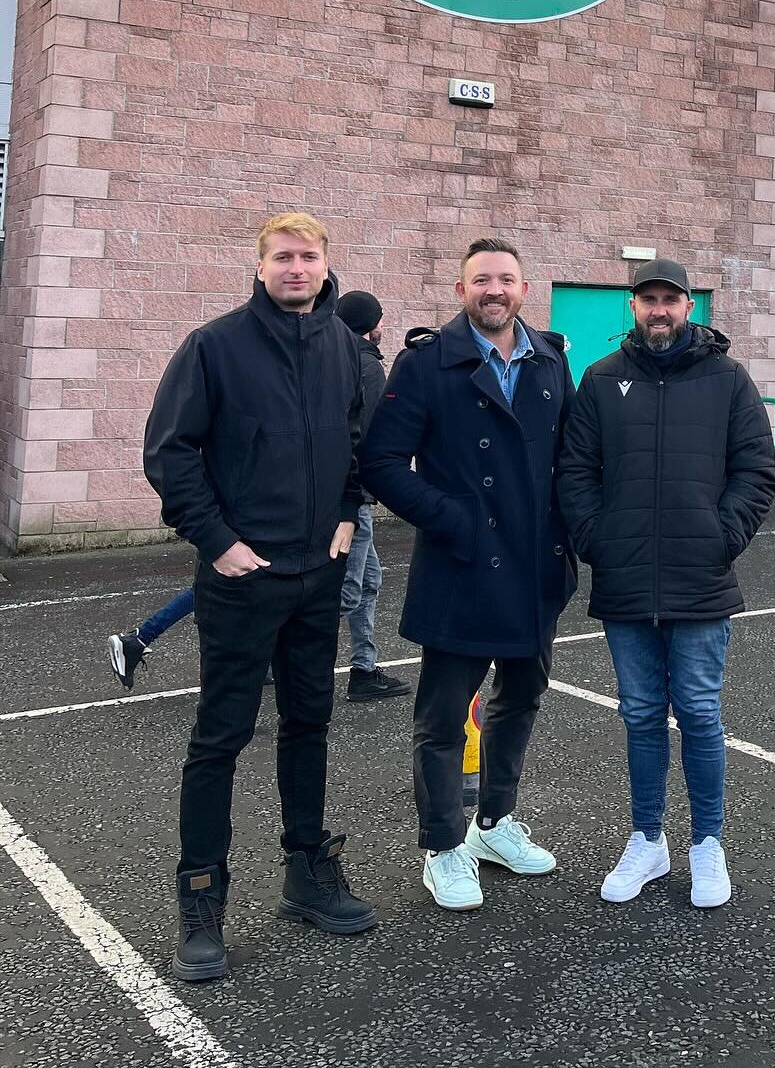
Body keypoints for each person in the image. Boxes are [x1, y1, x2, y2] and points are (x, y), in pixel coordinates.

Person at [143, 212, 376, 984]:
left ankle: (307, 869)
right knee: (221, 736)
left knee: (309, 721)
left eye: (308, 256)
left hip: (318, 575)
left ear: (326, 263)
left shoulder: (345, 347)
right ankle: (202, 893)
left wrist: (347, 511)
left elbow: (355, 440)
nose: (297, 268)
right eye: (283, 257)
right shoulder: (214, 346)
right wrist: (217, 542)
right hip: (241, 579)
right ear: (260, 265)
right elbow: (170, 453)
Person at [359, 237, 576, 913]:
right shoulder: (426, 364)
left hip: (536, 566)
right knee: (443, 718)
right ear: (462, 290)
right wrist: (452, 518)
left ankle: (495, 823)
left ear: (523, 288)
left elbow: (569, 458)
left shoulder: (549, 360)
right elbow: (382, 462)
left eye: (505, 279)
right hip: (463, 564)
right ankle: (444, 844)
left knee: (521, 700)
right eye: (481, 279)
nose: (494, 290)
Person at [557, 257, 775, 910]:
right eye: (648, 299)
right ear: (633, 306)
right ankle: (647, 839)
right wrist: (597, 541)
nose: (659, 309)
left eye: (670, 300)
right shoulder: (600, 380)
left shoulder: (727, 379)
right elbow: (575, 471)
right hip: (626, 581)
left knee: (702, 715)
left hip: (699, 578)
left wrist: (721, 537)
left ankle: (707, 843)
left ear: (689, 308)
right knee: (643, 715)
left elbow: (756, 472)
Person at [333, 289, 409, 703]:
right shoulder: (367, 368)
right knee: (348, 588)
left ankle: (363, 668)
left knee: (368, 582)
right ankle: (283, 660)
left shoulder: (333, 359)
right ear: (370, 326)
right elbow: (370, 436)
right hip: (353, 498)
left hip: (349, 494)